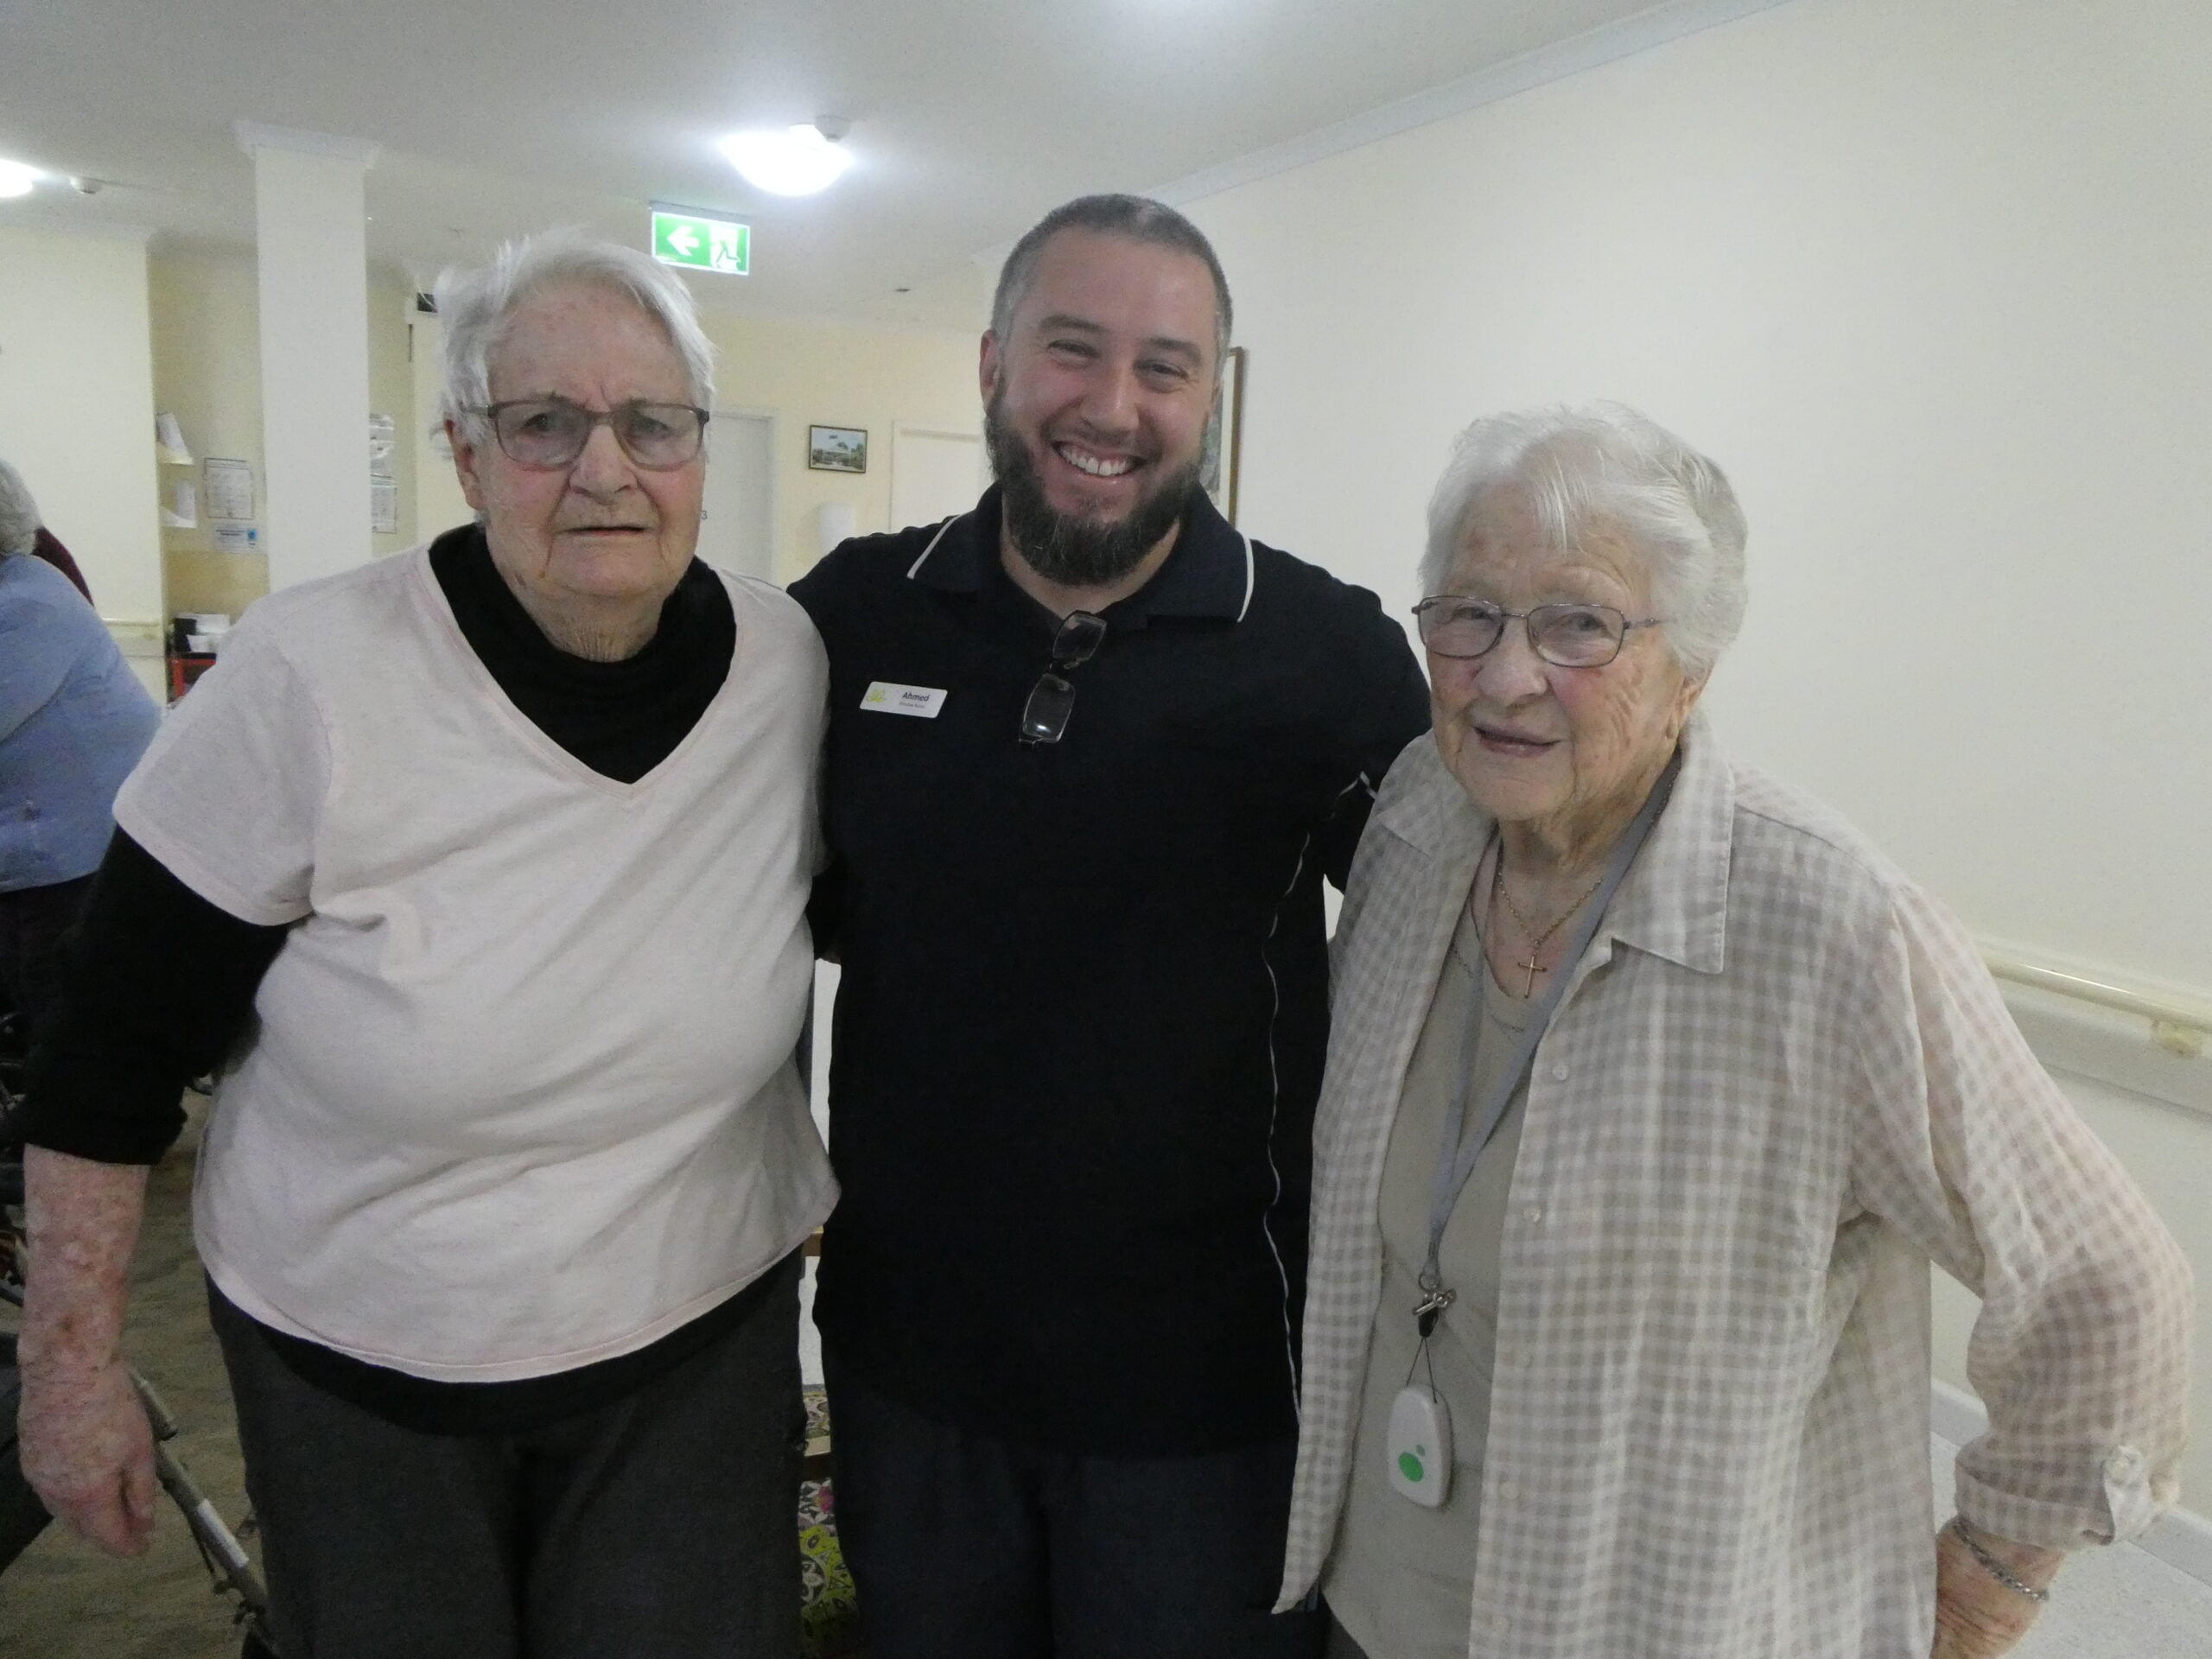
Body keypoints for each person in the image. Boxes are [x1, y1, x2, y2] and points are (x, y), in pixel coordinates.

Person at [15, 230, 835, 1659]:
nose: (605, 468)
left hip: (695, 1335)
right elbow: (110, 1049)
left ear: (698, 448)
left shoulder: (787, 666)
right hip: (359, 1356)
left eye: (653, 423)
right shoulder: (312, 675)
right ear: (465, 454)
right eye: (543, 425)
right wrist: (68, 1369)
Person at [1281, 404, 2193, 1659]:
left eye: (1578, 624)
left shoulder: (1830, 928)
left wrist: (1980, 1593)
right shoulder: (1418, 824)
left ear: (1693, 665)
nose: (1504, 673)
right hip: (1372, 1607)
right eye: (1468, 611)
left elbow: (2109, 1295)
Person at [788, 194, 1432, 1659]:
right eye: (1074, 351)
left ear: (1212, 394)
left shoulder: (1325, 655)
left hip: (1201, 1405)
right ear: (994, 363)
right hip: (910, 1372)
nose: (1115, 406)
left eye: (1166, 366)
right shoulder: (850, 621)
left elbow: (1471, 939)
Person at [0, 458, 156, 1058]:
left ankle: (74, 1140)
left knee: (62, 1012)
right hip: (34, 850)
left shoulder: (27, 604)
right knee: (33, 993)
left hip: (73, 850)